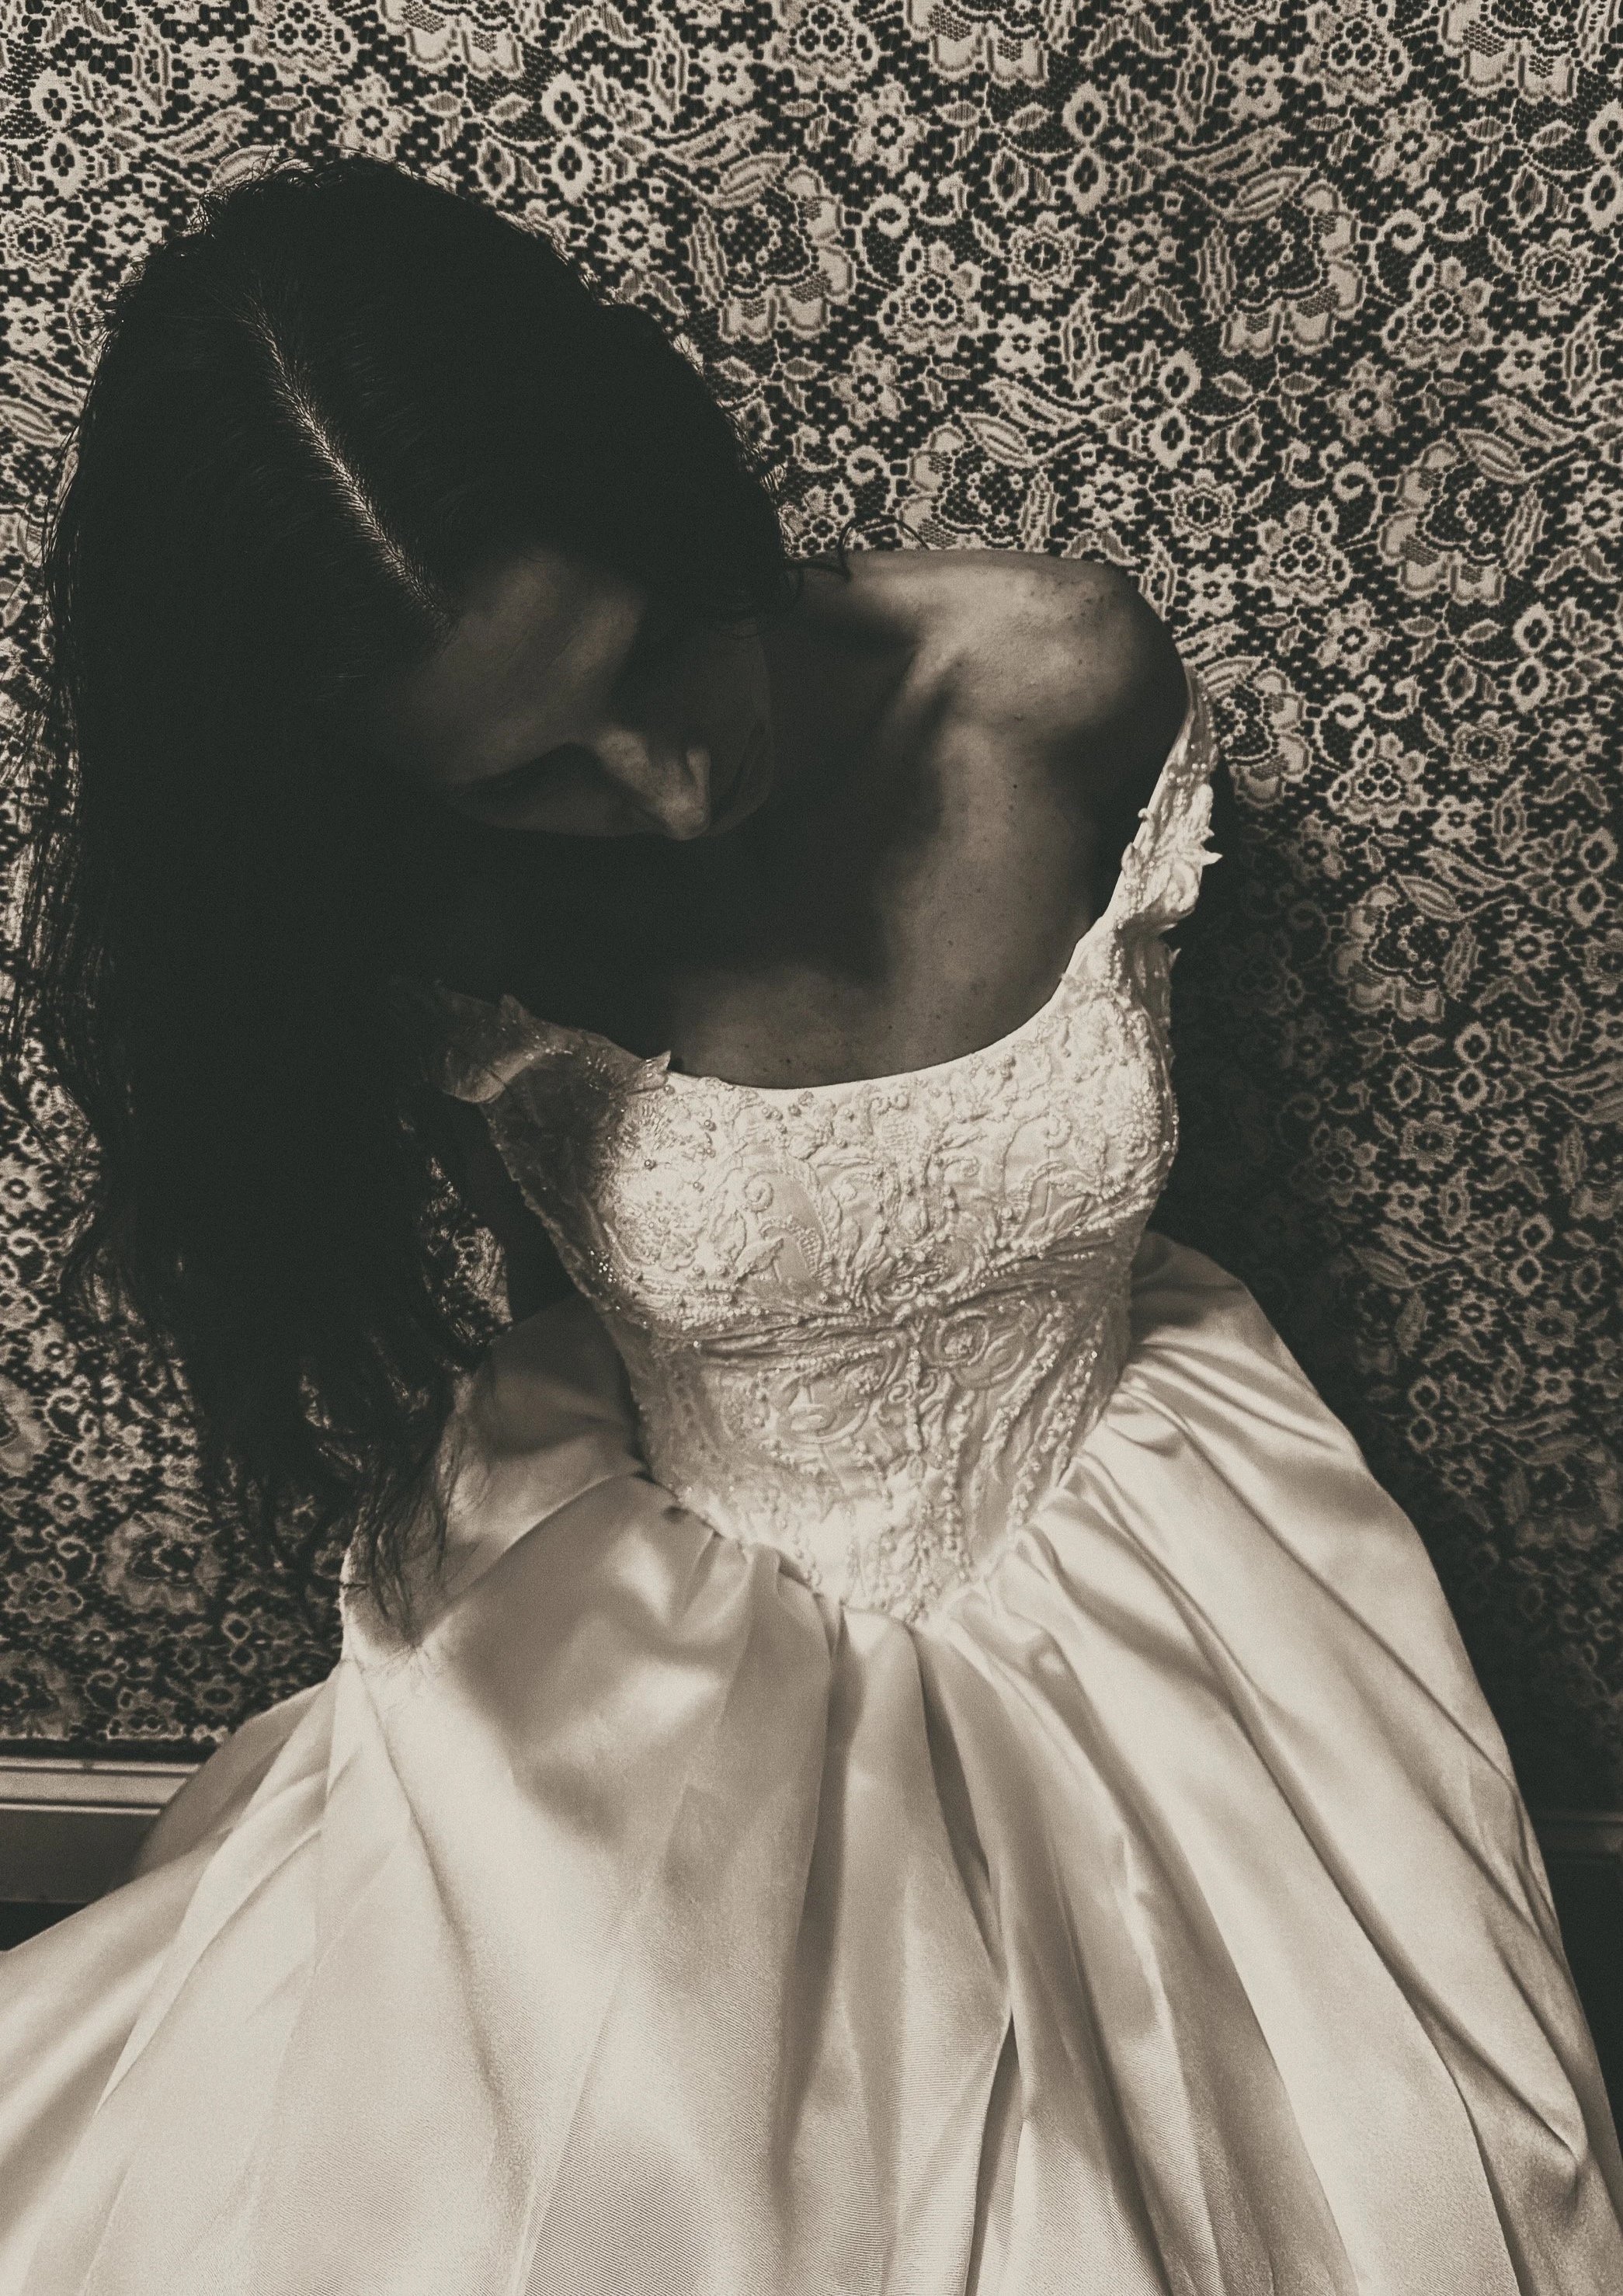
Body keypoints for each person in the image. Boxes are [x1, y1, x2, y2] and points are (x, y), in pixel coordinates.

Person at [0, 154, 1618, 2296]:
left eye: (652, 651)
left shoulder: (1052, 681)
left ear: (667, 481)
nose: (667, 788)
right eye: (537, 772)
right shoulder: (408, 908)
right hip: (680, 1627)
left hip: (1147, 1532)